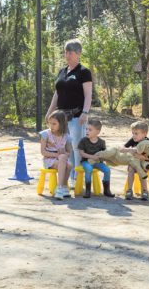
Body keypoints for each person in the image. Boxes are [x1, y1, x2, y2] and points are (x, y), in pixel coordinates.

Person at [45, 39, 92, 188]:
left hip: (77, 116)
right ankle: (69, 176)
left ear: (78, 54)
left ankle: (78, 178)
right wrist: (49, 112)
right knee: (65, 147)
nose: (67, 55)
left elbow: (88, 94)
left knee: (77, 147)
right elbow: (56, 94)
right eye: (66, 52)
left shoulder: (84, 72)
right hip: (61, 118)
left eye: (70, 52)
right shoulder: (62, 71)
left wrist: (85, 112)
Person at [40, 110, 73, 200]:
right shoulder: (45, 134)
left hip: (61, 160)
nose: (51, 126)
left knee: (69, 165)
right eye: (50, 123)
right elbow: (43, 152)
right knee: (63, 158)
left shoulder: (66, 136)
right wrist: (58, 155)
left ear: (61, 124)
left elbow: (69, 153)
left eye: (54, 124)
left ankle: (63, 186)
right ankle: (60, 187)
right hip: (49, 160)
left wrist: (63, 152)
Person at [78, 118, 113, 198]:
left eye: (90, 130)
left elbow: (104, 154)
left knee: (107, 170)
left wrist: (103, 157)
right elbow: (81, 153)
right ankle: (87, 191)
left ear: (97, 132)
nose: (87, 131)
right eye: (86, 129)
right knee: (89, 169)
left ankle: (107, 190)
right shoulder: (83, 141)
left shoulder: (101, 142)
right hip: (86, 161)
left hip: (98, 162)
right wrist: (92, 157)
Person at [120, 121, 149, 201]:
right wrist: (130, 150)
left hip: (146, 163)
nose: (134, 136)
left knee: (141, 171)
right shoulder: (133, 140)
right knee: (131, 169)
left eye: (136, 133)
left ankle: (145, 190)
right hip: (134, 162)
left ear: (144, 134)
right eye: (133, 133)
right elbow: (122, 149)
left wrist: (142, 157)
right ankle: (129, 190)